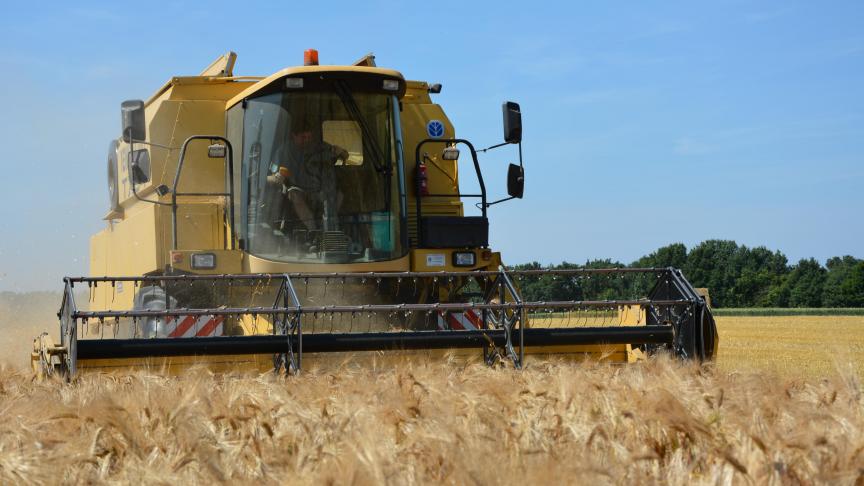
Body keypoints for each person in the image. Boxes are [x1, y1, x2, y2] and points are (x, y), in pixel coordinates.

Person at [267, 122, 350, 233]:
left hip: (321, 191)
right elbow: (270, 177)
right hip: (299, 191)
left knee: (341, 192)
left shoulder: (319, 146)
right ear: (294, 136)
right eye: (303, 137)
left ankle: (331, 228)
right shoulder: (284, 151)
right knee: (293, 194)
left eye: (309, 137)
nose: (307, 140)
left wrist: (342, 152)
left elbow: (344, 155)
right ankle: (315, 231)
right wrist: (277, 178)